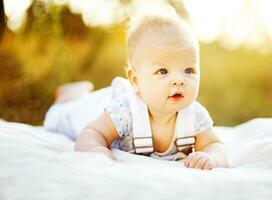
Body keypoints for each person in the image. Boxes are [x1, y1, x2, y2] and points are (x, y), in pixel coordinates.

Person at [44, 15, 229, 170]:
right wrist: (95, 150)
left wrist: (211, 157)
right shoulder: (125, 110)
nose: (179, 80)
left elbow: (215, 145)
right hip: (96, 108)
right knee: (62, 116)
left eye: (189, 70)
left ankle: (78, 93)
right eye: (163, 71)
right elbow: (92, 131)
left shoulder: (194, 115)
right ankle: (72, 94)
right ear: (135, 80)